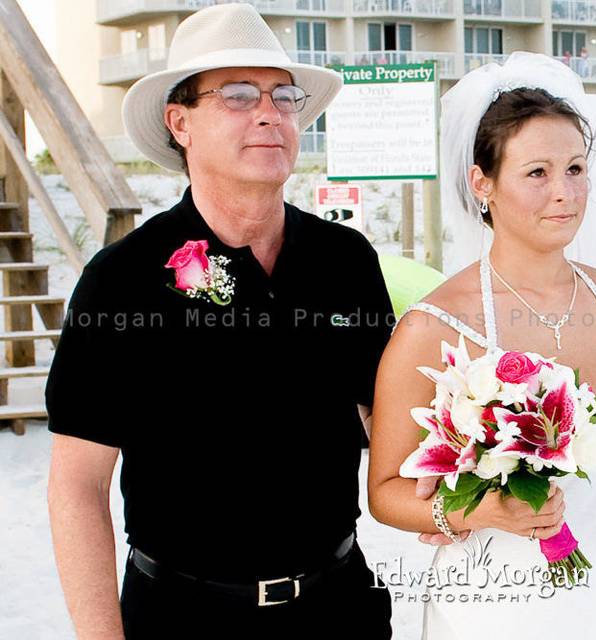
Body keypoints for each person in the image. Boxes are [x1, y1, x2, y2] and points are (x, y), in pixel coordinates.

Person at [45, 5, 393, 638]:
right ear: (180, 123)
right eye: (237, 96)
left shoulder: (347, 259)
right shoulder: (119, 279)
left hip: (339, 608)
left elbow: (388, 421)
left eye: (283, 97)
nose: (270, 113)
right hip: (181, 617)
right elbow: (77, 485)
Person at [367, 52, 596, 639]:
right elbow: (386, 494)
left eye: (575, 168)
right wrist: (482, 509)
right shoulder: (433, 325)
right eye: (537, 173)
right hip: (492, 605)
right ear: (482, 183)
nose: (564, 193)